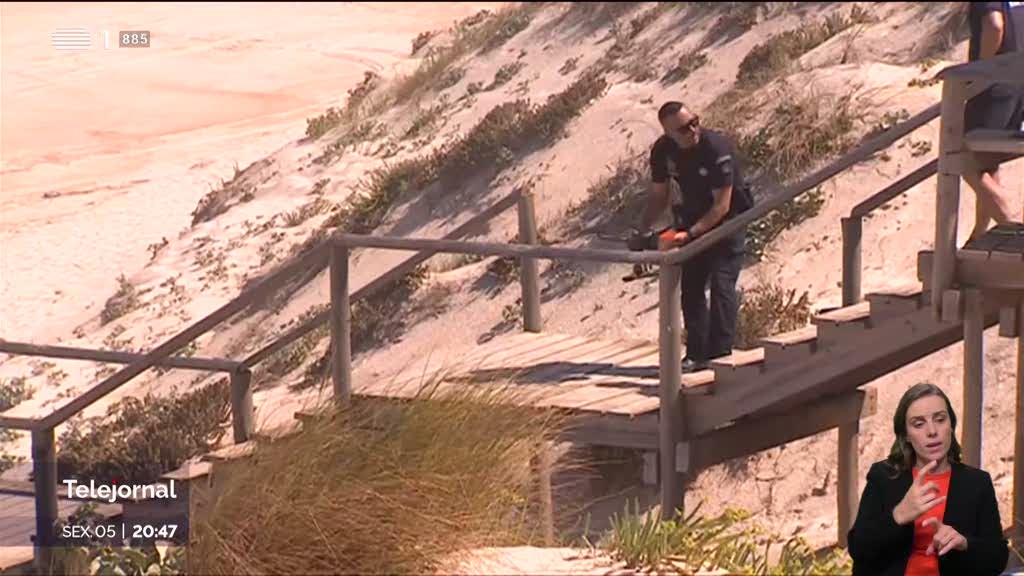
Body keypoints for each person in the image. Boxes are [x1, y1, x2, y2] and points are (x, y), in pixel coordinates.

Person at [847, 382, 1009, 576]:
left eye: (940, 419)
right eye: (919, 424)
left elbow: (997, 558)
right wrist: (898, 515)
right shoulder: (884, 477)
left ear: (951, 425)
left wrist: (964, 543)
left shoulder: (977, 483)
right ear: (906, 435)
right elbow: (858, 548)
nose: (932, 431)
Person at [639, 101, 754, 373]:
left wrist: (689, 235)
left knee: (721, 282)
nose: (692, 130)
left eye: (695, 122)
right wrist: (642, 228)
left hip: (729, 220)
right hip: (692, 217)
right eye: (683, 129)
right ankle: (696, 353)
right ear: (668, 133)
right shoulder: (663, 151)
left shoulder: (716, 148)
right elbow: (659, 195)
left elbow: (722, 206)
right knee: (691, 287)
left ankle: (720, 354)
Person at [964, 1, 1024, 242]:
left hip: (995, 83)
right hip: (1017, 81)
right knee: (987, 161)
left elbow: (994, 25)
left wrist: (979, 72)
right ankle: (981, 233)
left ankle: (1014, 229)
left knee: (963, 159)